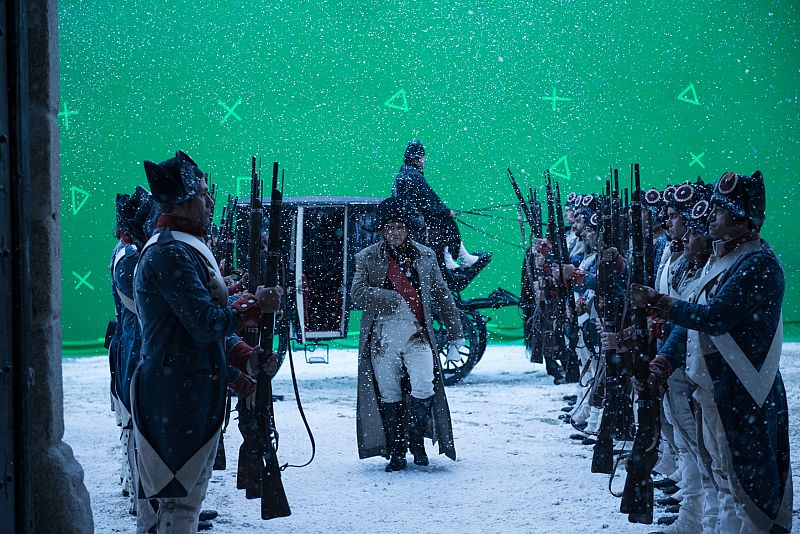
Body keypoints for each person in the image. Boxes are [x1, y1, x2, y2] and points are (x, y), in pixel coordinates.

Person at [631, 170, 792, 533]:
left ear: (740, 219)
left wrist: (660, 302)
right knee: (722, 472)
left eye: (719, 211)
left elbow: (715, 318)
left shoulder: (757, 263)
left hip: (742, 388)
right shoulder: (728, 260)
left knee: (745, 478)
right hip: (716, 386)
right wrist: (664, 359)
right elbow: (692, 320)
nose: (708, 219)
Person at [132, 150, 281, 533]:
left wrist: (244, 355)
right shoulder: (171, 252)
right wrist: (253, 306)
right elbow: (203, 323)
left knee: (177, 503)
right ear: (181, 203)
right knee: (178, 506)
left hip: (186, 390)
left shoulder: (182, 247)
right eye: (201, 193)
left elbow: (200, 322)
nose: (209, 200)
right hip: (178, 394)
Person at [351, 197, 464, 471]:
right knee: (389, 394)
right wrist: (388, 297)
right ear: (381, 230)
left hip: (417, 334)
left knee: (424, 386)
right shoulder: (367, 257)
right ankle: (397, 451)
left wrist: (456, 334)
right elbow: (356, 295)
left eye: (399, 227)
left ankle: (416, 441)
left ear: (408, 228)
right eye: (389, 228)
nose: (394, 233)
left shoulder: (426, 256)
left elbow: (443, 295)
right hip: (382, 337)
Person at [392, 140, 490, 274]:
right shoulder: (414, 176)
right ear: (416, 159)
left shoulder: (402, 174)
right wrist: (445, 211)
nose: (424, 160)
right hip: (417, 220)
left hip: (410, 218)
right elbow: (428, 201)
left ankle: (454, 258)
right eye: (422, 157)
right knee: (449, 225)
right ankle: (454, 259)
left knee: (446, 224)